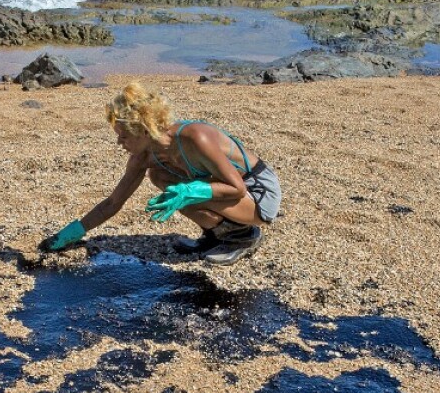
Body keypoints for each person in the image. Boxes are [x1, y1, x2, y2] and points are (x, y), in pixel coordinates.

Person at [38, 81, 281, 266]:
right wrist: (70, 234)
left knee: (180, 191)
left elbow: (237, 188)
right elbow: (112, 203)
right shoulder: (143, 158)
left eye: (124, 136)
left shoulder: (196, 138)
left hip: (258, 193)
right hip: (230, 193)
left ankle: (243, 236)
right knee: (160, 178)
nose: (119, 143)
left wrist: (190, 191)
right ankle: (217, 235)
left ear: (144, 130)